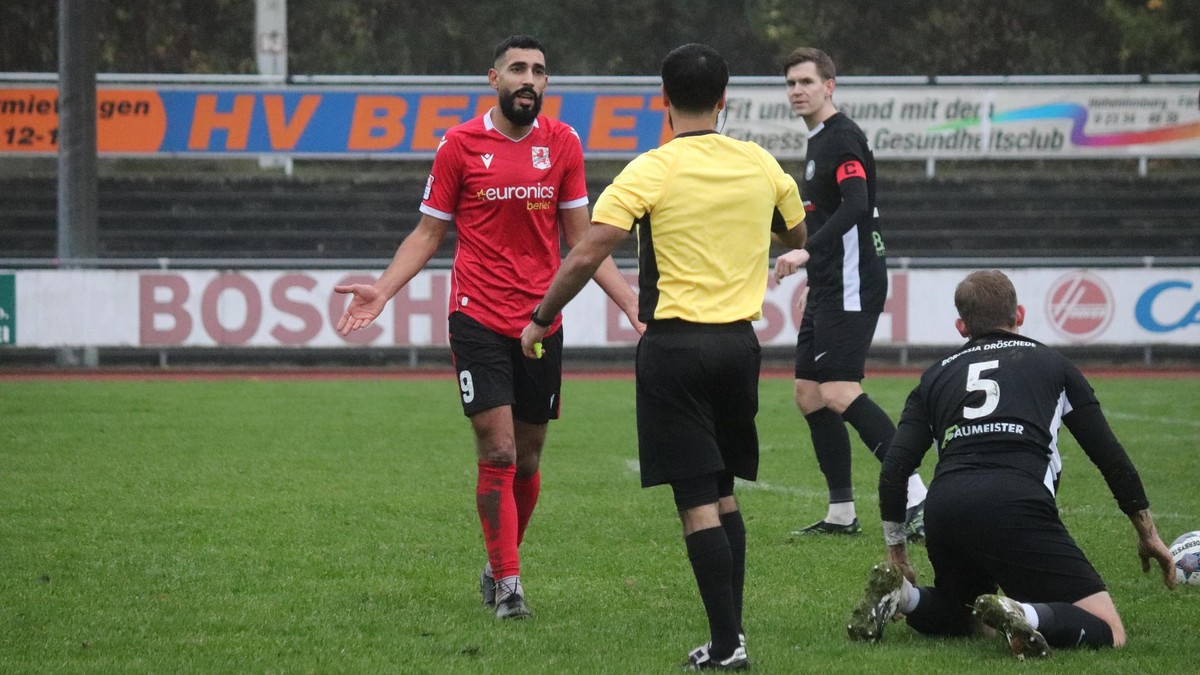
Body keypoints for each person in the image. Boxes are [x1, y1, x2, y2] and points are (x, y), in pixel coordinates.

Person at [334, 34, 641, 620]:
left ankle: (497, 563)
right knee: (497, 451)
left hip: (540, 319)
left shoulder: (564, 143)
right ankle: (509, 585)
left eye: (540, 71)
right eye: (518, 69)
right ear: (493, 78)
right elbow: (428, 234)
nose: (530, 79)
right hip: (476, 314)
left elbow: (582, 242)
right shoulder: (459, 144)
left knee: (527, 461)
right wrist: (382, 287)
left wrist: (628, 302)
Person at [520, 43, 807, 670]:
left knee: (696, 499)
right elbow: (795, 233)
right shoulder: (761, 163)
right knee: (724, 488)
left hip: (675, 346)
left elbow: (587, 252)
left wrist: (540, 318)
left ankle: (729, 647)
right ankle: (734, 636)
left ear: (664, 100)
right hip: (739, 345)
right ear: (725, 98)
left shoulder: (652, 168)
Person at [847, 269, 1176, 657]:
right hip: (1015, 503)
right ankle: (1024, 614)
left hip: (945, 507)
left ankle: (903, 598)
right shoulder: (1054, 364)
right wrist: (1148, 534)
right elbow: (1110, 456)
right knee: (1109, 628)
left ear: (960, 326)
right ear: (1019, 314)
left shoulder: (934, 376)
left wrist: (896, 553)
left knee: (964, 614)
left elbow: (895, 469)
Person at [773, 47, 927, 537]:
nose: (798, 90)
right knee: (809, 394)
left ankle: (920, 497)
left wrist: (804, 252)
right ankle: (841, 513)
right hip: (830, 281)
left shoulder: (841, 138)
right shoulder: (820, 140)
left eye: (806, 82)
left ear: (829, 85)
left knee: (839, 391)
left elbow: (857, 205)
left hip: (853, 281)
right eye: (791, 83)